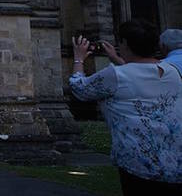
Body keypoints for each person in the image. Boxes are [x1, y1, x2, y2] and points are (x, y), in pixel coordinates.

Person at [69, 20, 182, 195]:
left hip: (139, 163)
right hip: (175, 162)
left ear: (126, 44)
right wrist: (117, 59)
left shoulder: (116, 74)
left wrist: (78, 58)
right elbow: (138, 75)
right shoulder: (172, 71)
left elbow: (79, 88)